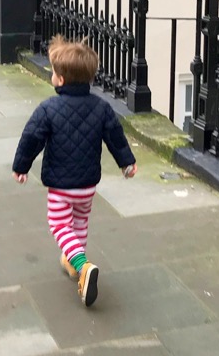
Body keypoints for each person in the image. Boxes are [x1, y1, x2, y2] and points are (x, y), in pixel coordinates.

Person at [12, 35, 137, 307]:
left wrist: (21, 167)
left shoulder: (48, 108)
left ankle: (82, 264)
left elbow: (31, 138)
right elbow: (115, 137)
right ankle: (74, 263)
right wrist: (127, 163)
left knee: (59, 225)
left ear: (60, 79)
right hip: (87, 185)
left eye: (53, 72)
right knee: (79, 223)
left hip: (61, 186)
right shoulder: (102, 108)